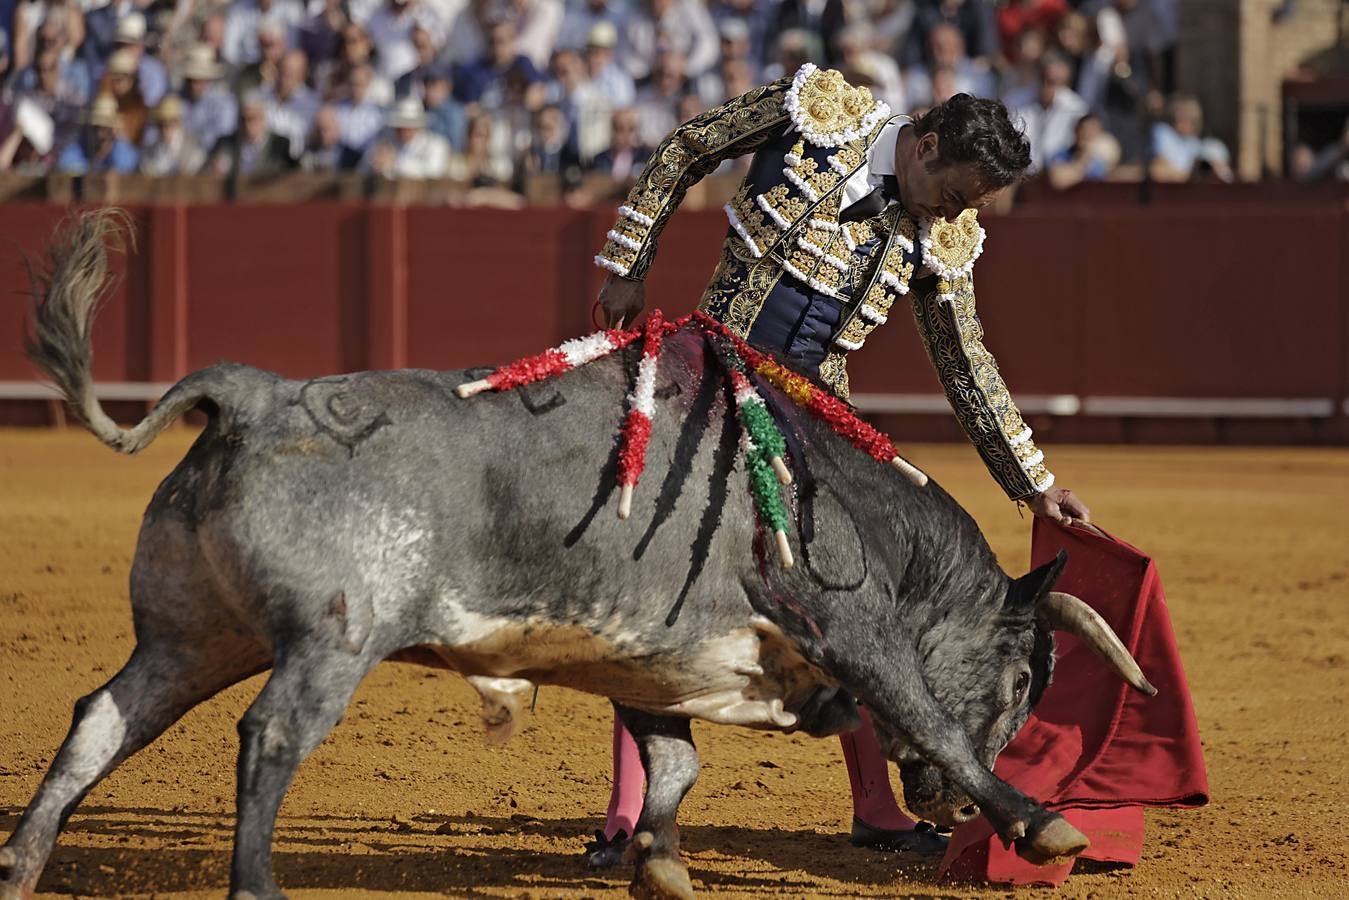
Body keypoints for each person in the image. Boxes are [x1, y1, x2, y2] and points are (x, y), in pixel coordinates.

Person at [587, 63, 1090, 865]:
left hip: (818, 422)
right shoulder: (814, 114)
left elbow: (965, 365)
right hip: (703, 383)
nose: (954, 216)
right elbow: (686, 147)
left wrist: (1031, 483)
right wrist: (628, 263)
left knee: (862, 600)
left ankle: (876, 809)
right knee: (655, 583)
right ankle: (626, 814)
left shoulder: (941, 236)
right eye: (954, 195)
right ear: (923, 144)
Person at [365, 96, 451, 178]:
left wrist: (395, 163)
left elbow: (433, 172)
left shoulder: (436, 145)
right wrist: (375, 163)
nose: (403, 130)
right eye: (399, 126)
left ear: (418, 126)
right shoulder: (385, 142)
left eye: (408, 126)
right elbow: (364, 167)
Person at [57, 93, 138, 174]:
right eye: (96, 127)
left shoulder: (122, 150)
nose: (99, 133)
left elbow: (125, 165)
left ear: (113, 130)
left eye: (105, 127)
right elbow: (65, 163)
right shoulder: (79, 147)